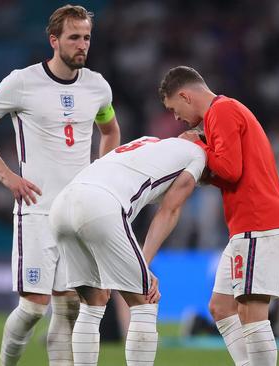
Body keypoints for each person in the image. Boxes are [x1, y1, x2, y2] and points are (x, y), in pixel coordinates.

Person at [0, 5, 121, 366]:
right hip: (37, 211)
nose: (82, 45)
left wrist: (102, 172)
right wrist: (7, 176)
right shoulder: (23, 82)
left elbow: (110, 130)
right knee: (34, 308)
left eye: (87, 38)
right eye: (74, 37)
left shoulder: (98, 87)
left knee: (67, 309)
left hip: (75, 214)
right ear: (54, 40)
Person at [159, 66, 279, 366]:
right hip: (246, 225)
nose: (176, 117)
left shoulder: (221, 111)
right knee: (220, 307)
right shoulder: (223, 112)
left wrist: (197, 144)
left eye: (173, 109)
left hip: (258, 221)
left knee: (253, 313)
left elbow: (230, 170)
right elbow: (230, 171)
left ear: (184, 95)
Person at [49, 136, 206, 366]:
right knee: (145, 300)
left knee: (92, 303)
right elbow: (169, 211)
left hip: (62, 204)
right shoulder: (198, 154)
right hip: (101, 204)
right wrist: (144, 264)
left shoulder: (148, 142)